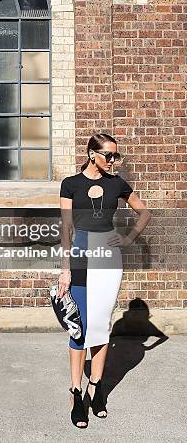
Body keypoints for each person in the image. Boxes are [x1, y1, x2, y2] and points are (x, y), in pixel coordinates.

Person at [59, 132, 151, 428]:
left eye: (116, 155)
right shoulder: (70, 185)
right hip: (81, 255)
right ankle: (76, 393)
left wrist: (128, 239)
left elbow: (144, 212)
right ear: (91, 154)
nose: (113, 161)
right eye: (108, 155)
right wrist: (65, 268)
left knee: (101, 324)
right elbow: (66, 230)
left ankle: (96, 389)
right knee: (80, 326)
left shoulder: (117, 184)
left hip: (109, 258)